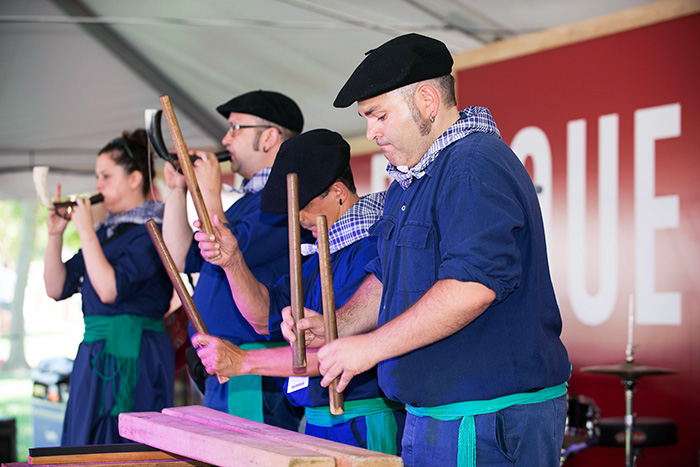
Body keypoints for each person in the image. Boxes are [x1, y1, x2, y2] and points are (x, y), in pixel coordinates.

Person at [283, 34, 571, 466]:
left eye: (379, 115)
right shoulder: (414, 180)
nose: (370, 132)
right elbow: (387, 278)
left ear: (427, 100)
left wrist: (372, 347)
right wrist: (337, 326)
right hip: (438, 416)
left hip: (484, 421)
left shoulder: (473, 164)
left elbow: (472, 286)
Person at [191, 129, 404, 454]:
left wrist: (245, 361)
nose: (299, 218)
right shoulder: (315, 256)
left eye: (302, 205)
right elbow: (264, 317)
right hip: (317, 422)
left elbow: (335, 353)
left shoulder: (377, 246)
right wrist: (232, 262)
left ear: (337, 192)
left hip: (363, 424)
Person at [162, 90, 309, 431]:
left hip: (254, 367)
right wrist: (177, 191)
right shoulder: (246, 201)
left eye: (235, 128)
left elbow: (224, 247)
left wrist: (209, 192)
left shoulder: (285, 197)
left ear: (270, 137)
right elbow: (183, 256)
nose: (225, 139)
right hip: (223, 363)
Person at [43, 129, 175, 446]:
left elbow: (109, 291)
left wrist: (86, 231)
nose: (98, 185)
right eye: (96, 176)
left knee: (129, 446)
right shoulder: (105, 233)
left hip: (139, 355)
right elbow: (56, 286)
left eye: (106, 176)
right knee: (85, 442)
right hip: (95, 354)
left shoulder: (154, 230)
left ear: (134, 178)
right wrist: (55, 236)